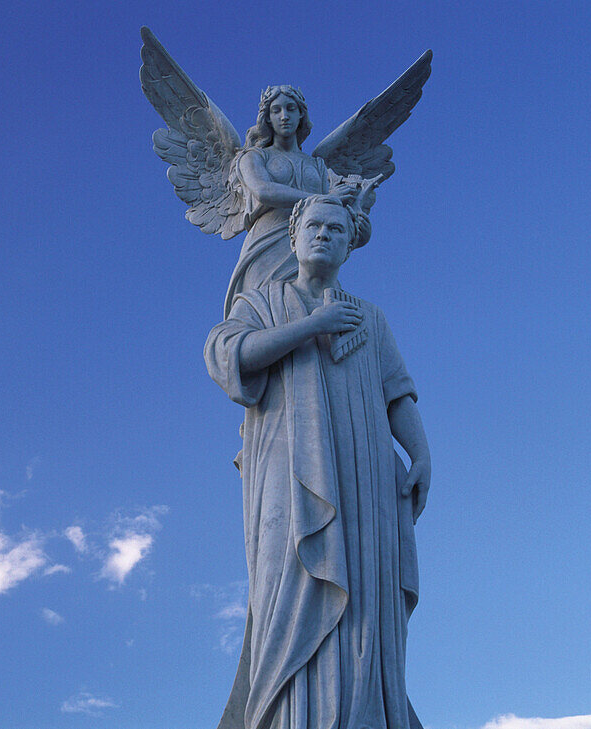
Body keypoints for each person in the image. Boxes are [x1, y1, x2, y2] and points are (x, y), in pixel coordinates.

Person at [204, 195, 431, 729]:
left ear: (350, 243)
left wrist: (420, 453)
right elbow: (227, 356)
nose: (324, 234)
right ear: (294, 236)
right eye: (314, 225)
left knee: (365, 595)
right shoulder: (260, 302)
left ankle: (364, 714)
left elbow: (397, 394)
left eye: (336, 228)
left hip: (367, 471)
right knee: (291, 585)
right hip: (289, 464)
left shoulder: (371, 318)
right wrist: (314, 325)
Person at [223, 87, 371, 317]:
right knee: (263, 314)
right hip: (267, 246)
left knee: (315, 314)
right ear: (267, 118)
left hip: (312, 245)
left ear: (301, 114)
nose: (284, 116)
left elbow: (338, 215)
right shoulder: (252, 156)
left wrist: (359, 221)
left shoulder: (318, 167)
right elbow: (264, 191)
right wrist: (322, 199)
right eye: (276, 110)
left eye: (291, 109)